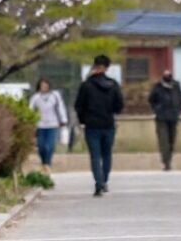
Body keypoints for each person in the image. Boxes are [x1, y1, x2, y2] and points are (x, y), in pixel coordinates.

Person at [74, 54, 125, 196]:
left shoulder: (86, 85)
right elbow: (119, 105)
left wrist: (83, 120)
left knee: (95, 156)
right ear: (107, 68)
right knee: (107, 154)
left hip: (91, 125)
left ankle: (99, 182)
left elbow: (79, 105)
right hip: (108, 124)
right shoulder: (113, 85)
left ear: (94, 66)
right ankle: (104, 180)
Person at [147, 71, 181, 171]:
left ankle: (169, 159)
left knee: (172, 140)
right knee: (163, 140)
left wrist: (178, 109)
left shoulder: (176, 86)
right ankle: (166, 162)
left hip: (173, 116)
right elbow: (151, 99)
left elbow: (180, 98)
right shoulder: (157, 86)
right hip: (161, 117)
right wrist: (156, 109)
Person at [28, 79, 68, 168]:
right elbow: (30, 109)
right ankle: (44, 162)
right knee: (41, 146)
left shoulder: (55, 95)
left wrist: (63, 120)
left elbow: (60, 107)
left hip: (53, 124)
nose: (44, 87)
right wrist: (30, 121)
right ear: (39, 86)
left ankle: (47, 163)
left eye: (45, 85)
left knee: (49, 146)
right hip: (40, 125)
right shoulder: (36, 97)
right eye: (42, 85)